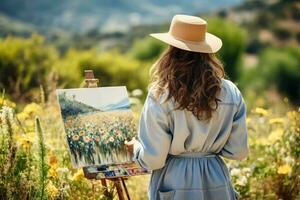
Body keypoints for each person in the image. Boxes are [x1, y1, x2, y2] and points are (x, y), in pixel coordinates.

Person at [125, 14, 249, 200]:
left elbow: (154, 159)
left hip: (175, 180)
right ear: (207, 52)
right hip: (216, 179)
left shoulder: (161, 94)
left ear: (171, 52)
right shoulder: (231, 92)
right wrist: (208, 145)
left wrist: (136, 148)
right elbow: (239, 151)